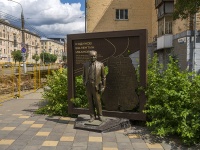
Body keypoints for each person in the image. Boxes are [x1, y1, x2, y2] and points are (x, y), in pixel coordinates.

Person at [83, 50, 106, 122]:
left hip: (96, 86)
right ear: (89, 57)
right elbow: (84, 75)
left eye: (94, 56)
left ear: (96, 56)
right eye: (91, 56)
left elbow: (103, 77)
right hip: (88, 85)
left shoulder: (100, 64)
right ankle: (92, 116)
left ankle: (100, 115)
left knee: (97, 101)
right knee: (90, 101)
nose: (93, 57)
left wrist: (103, 86)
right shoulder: (85, 65)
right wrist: (84, 82)